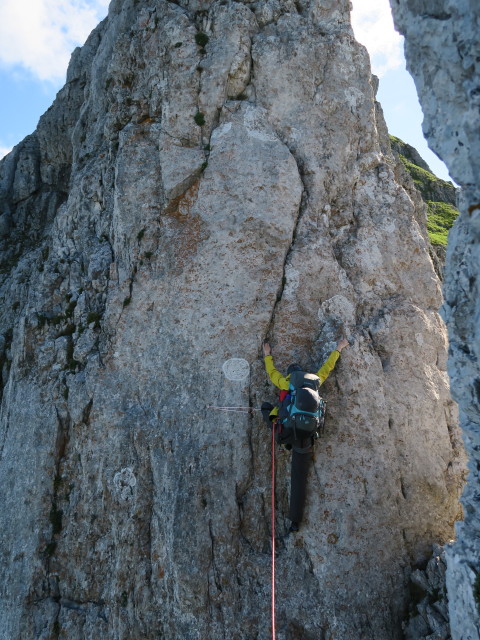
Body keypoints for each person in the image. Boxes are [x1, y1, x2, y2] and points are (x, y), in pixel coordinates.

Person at [262, 338, 349, 532]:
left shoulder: (286, 382)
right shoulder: (315, 381)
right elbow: (328, 367)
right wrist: (339, 348)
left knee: (266, 408)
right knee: (299, 476)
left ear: (291, 375)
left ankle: (283, 441)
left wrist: (267, 354)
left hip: (287, 431)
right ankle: (295, 521)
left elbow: (271, 373)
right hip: (307, 435)